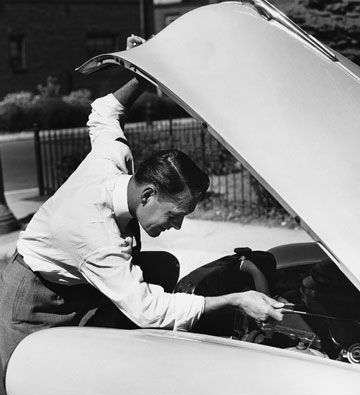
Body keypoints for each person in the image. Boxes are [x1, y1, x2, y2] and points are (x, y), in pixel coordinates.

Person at [0, 35, 284, 373]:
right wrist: (235, 299)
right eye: (176, 214)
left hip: (79, 283)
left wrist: (143, 77)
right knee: (37, 394)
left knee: (163, 265)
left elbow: (104, 111)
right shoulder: (95, 235)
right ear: (148, 195)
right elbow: (147, 310)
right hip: (36, 298)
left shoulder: (114, 158)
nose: (177, 225)